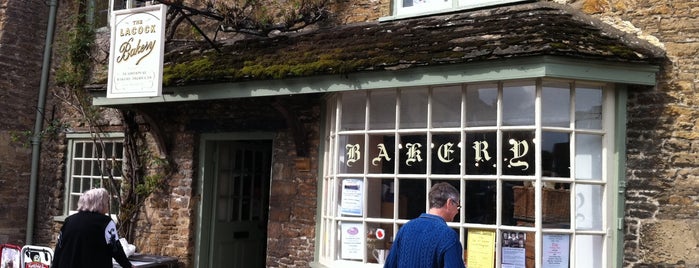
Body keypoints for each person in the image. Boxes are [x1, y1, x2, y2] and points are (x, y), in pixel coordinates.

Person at [384, 182, 466, 268]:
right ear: (449, 203)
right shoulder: (449, 236)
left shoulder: (405, 229)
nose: (457, 211)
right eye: (458, 206)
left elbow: (389, 265)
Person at [52, 188, 133, 268]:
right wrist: (128, 266)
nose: (108, 205)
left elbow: (59, 248)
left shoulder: (69, 221)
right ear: (100, 204)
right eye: (106, 202)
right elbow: (116, 249)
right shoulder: (106, 222)